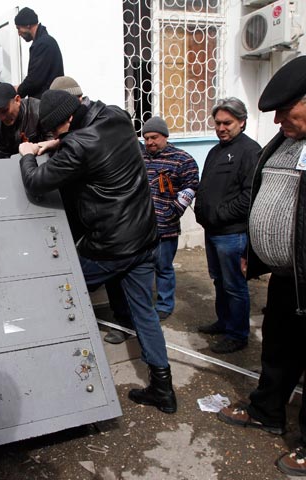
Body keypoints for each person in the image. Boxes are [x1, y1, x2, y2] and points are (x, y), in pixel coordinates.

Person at [18, 89, 176, 414]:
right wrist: (57, 143)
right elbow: (90, 140)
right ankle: (164, 389)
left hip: (111, 245)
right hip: (144, 237)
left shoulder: (78, 145)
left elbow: (37, 181)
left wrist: (27, 154)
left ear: (69, 118)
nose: (54, 134)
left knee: (61, 291)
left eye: (55, 129)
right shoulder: (117, 116)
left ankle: (53, 375)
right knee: (144, 313)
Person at [217, 55, 306, 477]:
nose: (276, 121)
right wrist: (256, 251)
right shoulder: (285, 142)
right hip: (288, 278)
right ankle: (267, 410)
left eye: (285, 110)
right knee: (278, 348)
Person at [48, 76, 132, 345]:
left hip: (108, 217)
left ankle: (121, 321)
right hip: (79, 210)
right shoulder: (77, 128)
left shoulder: (104, 122)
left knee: (109, 275)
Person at [194, 98, 260, 354]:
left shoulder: (250, 151)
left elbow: (249, 195)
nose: (221, 128)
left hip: (232, 234)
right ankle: (224, 322)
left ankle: (237, 334)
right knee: (219, 281)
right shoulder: (216, 151)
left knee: (234, 286)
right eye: (218, 123)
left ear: (241, 122)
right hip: (213, 231)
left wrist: (220, 214)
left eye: (227, 123)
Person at [141, 117, 199, 320]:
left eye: (154, 137)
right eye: (146, 138)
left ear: (165, 136)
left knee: (163, 268)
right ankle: (143, 305)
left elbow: (191, 186)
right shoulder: (140, 157)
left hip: (166, 228)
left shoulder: (182, 160)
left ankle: (165, 305)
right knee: (142, 269)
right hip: (140, 228)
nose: (150, 142)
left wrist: (172, 211)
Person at [0, 82, 49, 159]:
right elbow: (4, 159)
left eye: (5, 111)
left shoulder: (39, 111)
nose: (2, 118)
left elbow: (54, 144)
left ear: (17, 100)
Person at [14, 7, 64, 99]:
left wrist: (18, 90)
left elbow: (34, 80)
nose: (19, 33)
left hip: (48, 102)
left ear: (28, 25)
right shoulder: (44, 41)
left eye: (19, 28)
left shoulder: (43, 44)